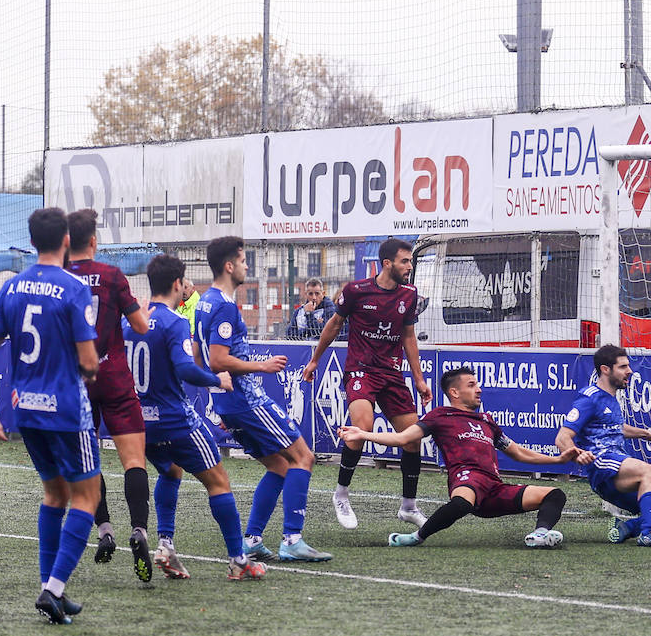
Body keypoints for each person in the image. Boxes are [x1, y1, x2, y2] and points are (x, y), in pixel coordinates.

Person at [0, 207, 101, 624]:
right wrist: (92, 365)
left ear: (31, 242)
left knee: (55, 495)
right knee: (87, 497)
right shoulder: (74, 288)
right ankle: (54, 588)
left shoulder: (10, 288)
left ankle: (52, 590)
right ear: (67, 240)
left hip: (25, 409)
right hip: (67, 411)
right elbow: (88, 361)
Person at [124, 254, 267, 580]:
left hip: (143, 423)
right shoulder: (175, 322)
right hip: (177, 420)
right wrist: (218, 378)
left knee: (171, 472)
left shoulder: (130, 323)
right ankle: (238, 560)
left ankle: (165, 544)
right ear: (178, 284)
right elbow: (186, 367)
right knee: (218, 482)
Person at [196, 236, 332, 562]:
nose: (247, 266)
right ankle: (292, 539)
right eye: (243, 261)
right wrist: (262, 366)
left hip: (229, 403)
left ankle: (253, 539)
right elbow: (216, 359)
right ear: (229, 266)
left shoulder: (204, 302)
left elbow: (201, 358)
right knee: (303, 457)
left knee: (280, 466)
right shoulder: (225, 305)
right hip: (245, 399)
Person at [340, 366, 583, 547]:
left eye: (477, 384)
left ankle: (540, 535)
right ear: (454, 392)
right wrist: (363, 433)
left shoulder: (487, 421)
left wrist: (559, 461)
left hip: (494, 488)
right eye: (471, 385)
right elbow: (404, 438)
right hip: (467, 481)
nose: (479, 389)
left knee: (555, 494)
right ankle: (416, 537)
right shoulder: (439, 416)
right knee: (462, 502)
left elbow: (518, 452)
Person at [302, 238, 431, 531]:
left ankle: (408, 507)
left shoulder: (409, 295)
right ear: (387, 264)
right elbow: (334, 325)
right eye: (404, 261)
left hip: (392, 374)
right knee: (362, 426)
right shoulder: (357, 291)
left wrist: (419, 379)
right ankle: (342, 494)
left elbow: (408, 336)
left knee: (412, 437)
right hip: (361, 370)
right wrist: (314, 361)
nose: (409, 267)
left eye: (410, 261)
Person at [64, 209, 155, 582]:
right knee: (134, 460)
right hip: (115, 374)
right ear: (94, 241)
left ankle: (104, 531)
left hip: (78, 379)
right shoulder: (113, 276)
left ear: (67, 242)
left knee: (89, 461)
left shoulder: (60, 277)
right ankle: (139, 531)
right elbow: (141, 327)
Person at [555, 344, 651, 548]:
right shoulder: (589, 398)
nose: (629, 371)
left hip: (620, 470)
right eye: (623, 367)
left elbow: (617, 427)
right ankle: (649, 533)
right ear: (605, 369)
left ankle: (628, 527)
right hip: (603, 467)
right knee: (650, 471)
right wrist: (576, 455)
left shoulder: (611, 400)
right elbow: (562, 437)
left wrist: (647, 434)